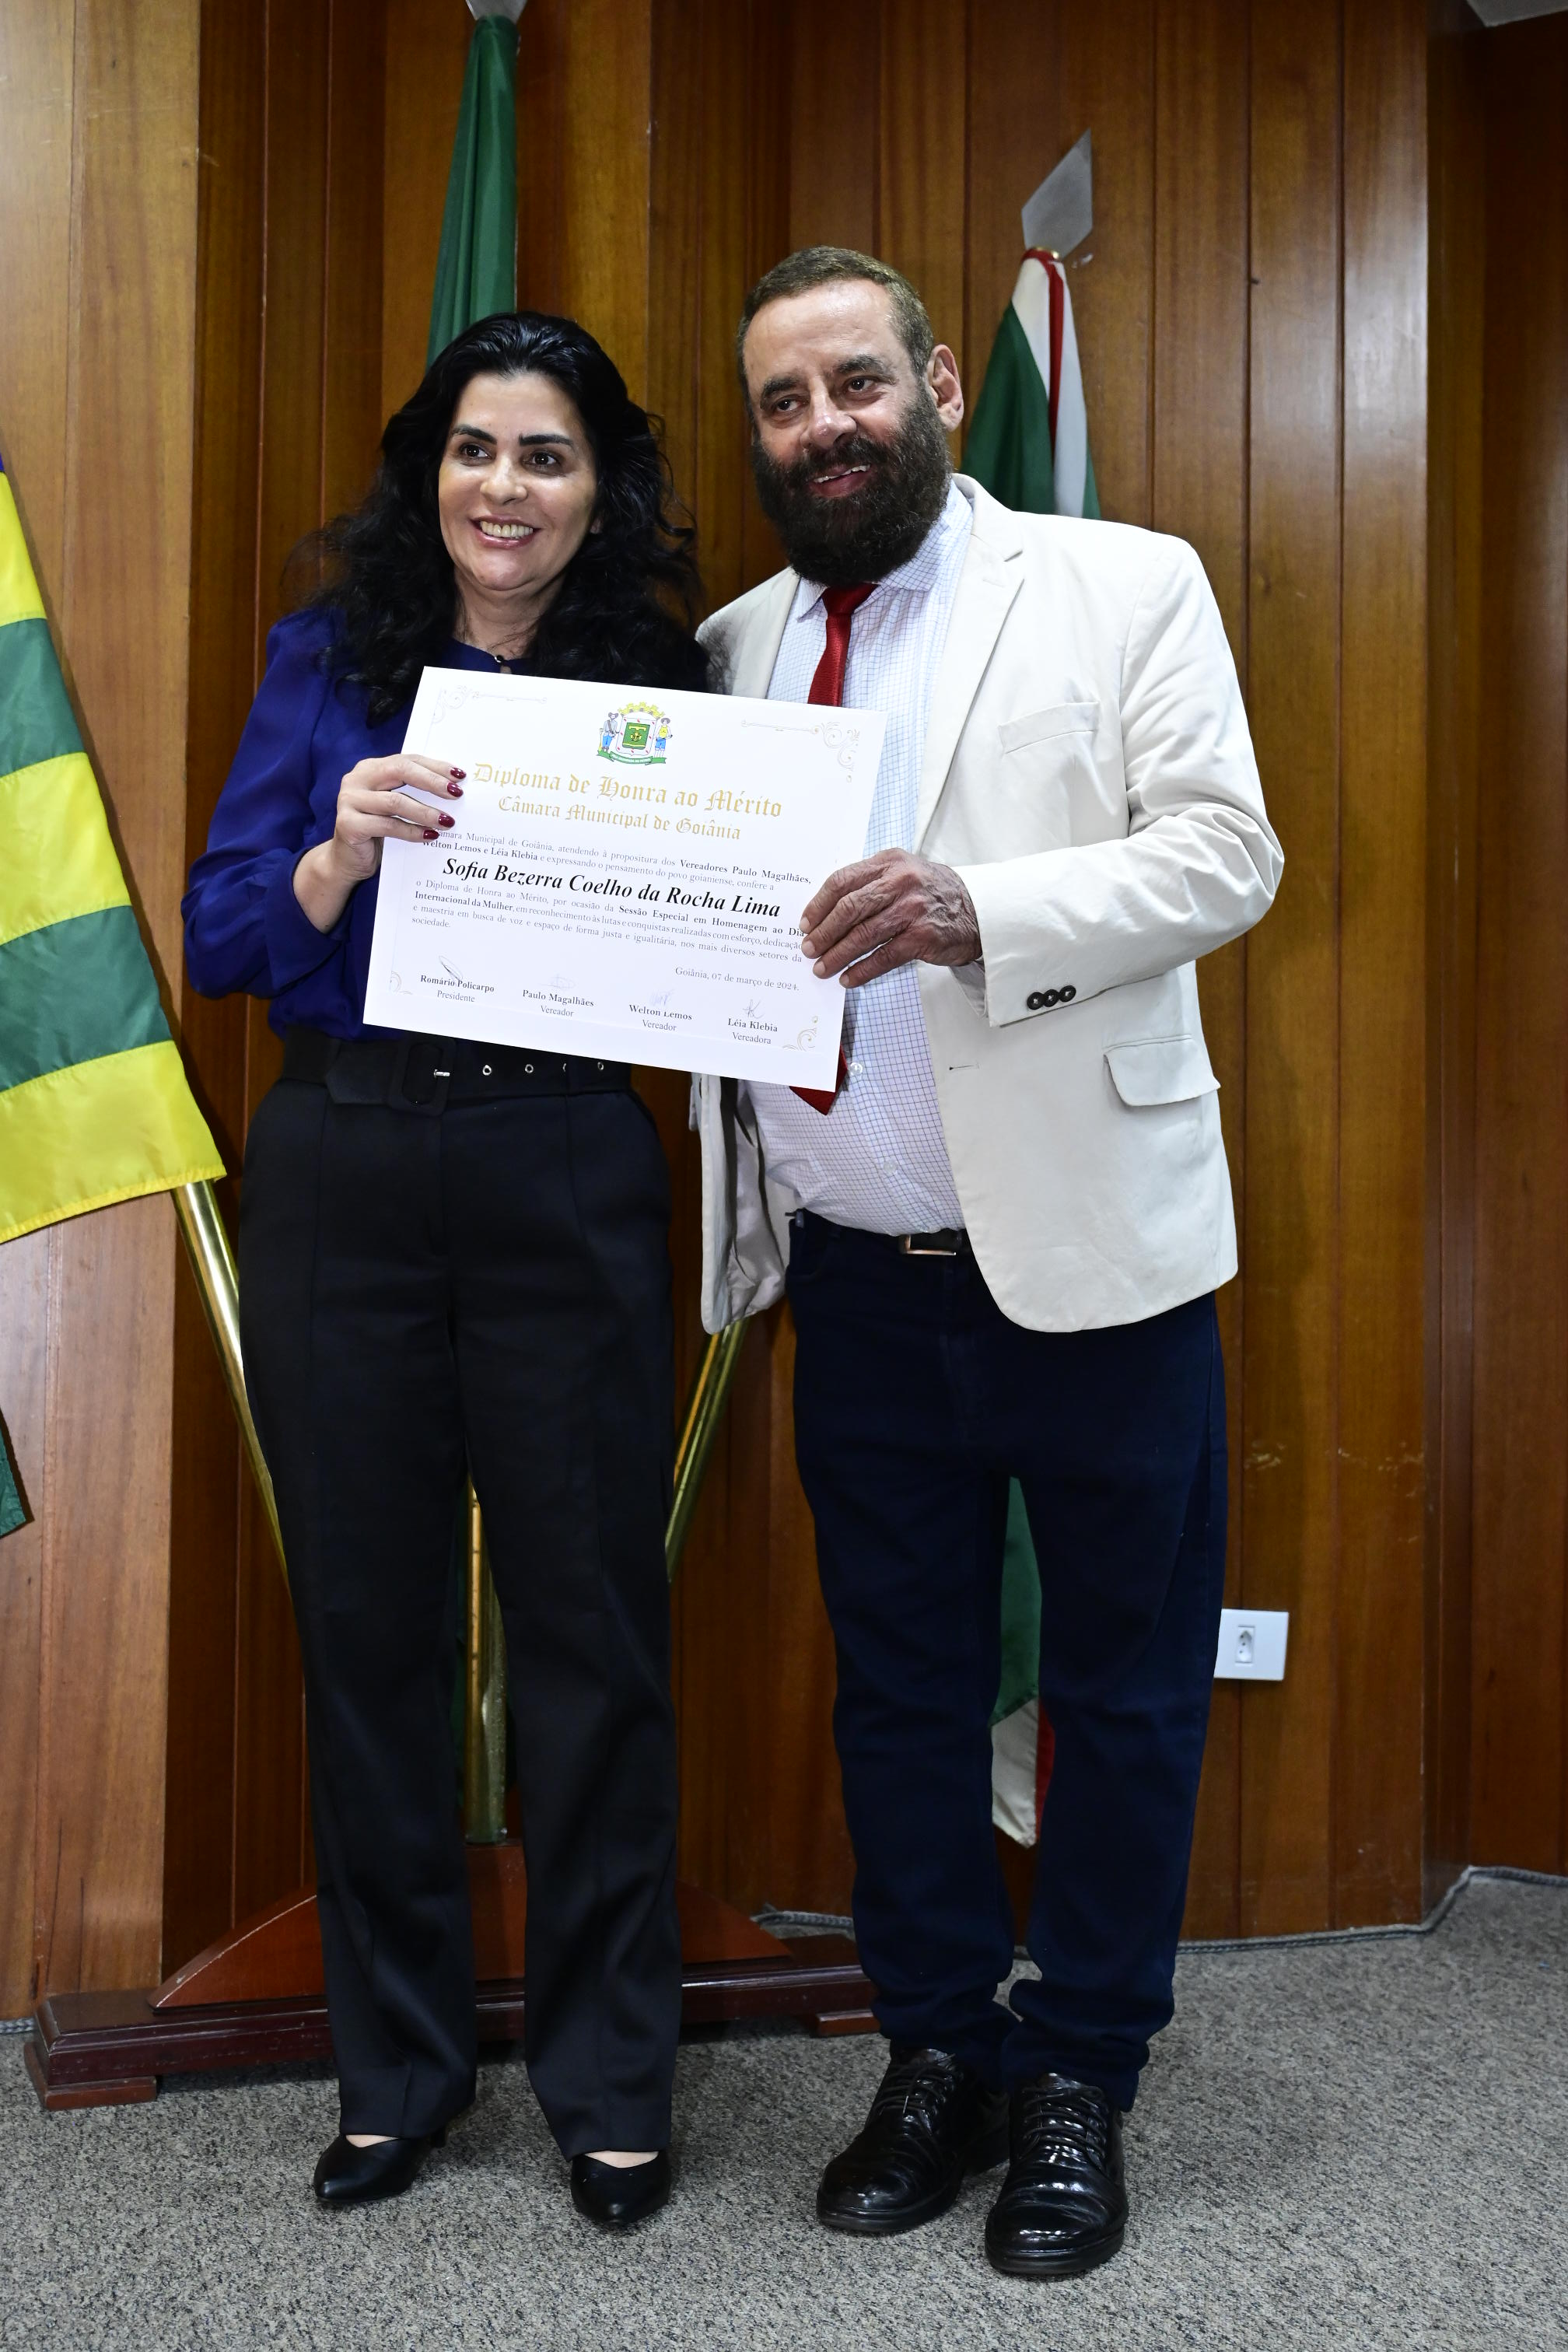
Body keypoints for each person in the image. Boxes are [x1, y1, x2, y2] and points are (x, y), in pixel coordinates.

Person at [692, 247, 1282, 2279]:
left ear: (941, 386)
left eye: (856, 382)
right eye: (784, 403)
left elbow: (1225, 852)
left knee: (1122, 1695)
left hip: (1100, 1261)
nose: (825, 427)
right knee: (903, 1695)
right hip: (855, 1272)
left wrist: (975, 912)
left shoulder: (1122, 583)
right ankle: (940, 2044)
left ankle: (1083, 2070)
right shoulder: (734, 642)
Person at [183, 311, 705, 2227]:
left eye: (547, 454)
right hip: (349, 1165)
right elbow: (224, 936)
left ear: (599, 489)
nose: (506, 485)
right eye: (476, 448)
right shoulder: (325, 662)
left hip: (565, 1161)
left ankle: (611, 2082)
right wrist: (336, 852)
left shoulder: (669, 682)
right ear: (430, 472)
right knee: (368, 1633)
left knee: (592, 1636)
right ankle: (394, 2075)